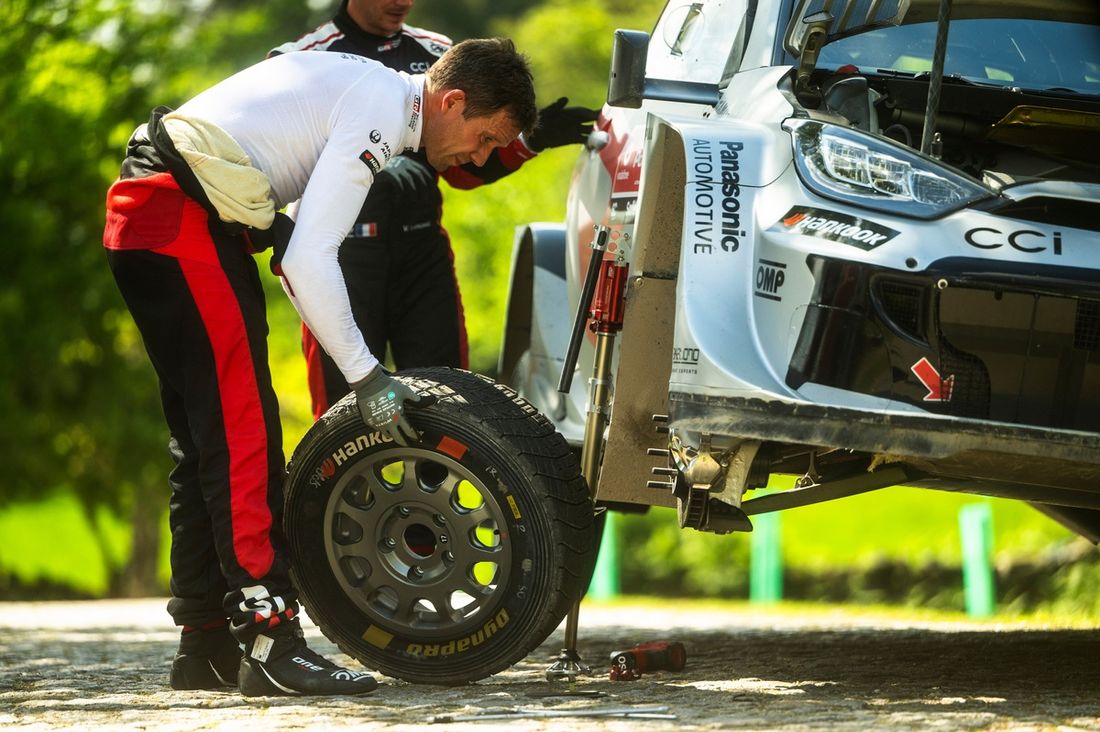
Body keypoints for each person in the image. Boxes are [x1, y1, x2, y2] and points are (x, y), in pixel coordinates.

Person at [102, 38, 537, 697]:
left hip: (157, 215)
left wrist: (358, 367)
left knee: (204, 441)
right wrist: (368, 377)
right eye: (485, 139)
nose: (479, 159)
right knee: (242, 436)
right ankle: (271, 644)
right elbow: (308, 259)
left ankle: (206, 645)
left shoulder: (371, 90)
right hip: (175, 216)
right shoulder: (380, 112)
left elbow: (296, 255)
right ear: (451, 101)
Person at [272, 0, 598, 420]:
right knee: (345, 408)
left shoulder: (441, 54)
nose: (402, 2)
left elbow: (464, 167)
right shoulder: (300, 58)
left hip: (420, 247)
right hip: (341, 254)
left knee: (449, 399)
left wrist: (525, 143)